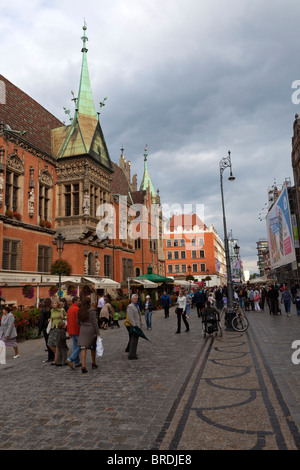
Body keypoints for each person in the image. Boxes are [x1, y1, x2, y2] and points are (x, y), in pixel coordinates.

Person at [77, 296, 100, 373]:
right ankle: (93, 362)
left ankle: (83, 365)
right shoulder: (92, 310)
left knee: (83, 348)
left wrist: (82, 326)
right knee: (93, 347)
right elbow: (95, 322)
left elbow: (78, 322)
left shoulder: (80, 311)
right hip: (91, 329)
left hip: (83, 329)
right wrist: (98, 332)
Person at [47, 299, 67, 365]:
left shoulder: (61, 310)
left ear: (58, 304)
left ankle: (56, 360)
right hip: (53, 328)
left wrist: (63, 317)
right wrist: (49, 319)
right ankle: (58, 354)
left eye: (55, 303)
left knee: (57, 344)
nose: (53, 305)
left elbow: (67, 316)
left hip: (59, 329)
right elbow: (51, 317)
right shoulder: (52, 310)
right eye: (53, 303)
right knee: (49, 343)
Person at [66, 297, 81, 369]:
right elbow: (78, 321)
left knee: (75, 346)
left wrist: (69, 331)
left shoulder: (69, 310)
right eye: (78, 301)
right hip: (77, 330)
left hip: (71, 330)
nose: (80, 302)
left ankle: (77, 362)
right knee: (81, 345)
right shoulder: (77, 309)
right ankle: (71, 359)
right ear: (75, 301)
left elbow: (68, 321)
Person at [126, 293, 143, 360]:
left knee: (135, 340)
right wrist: (134, 325)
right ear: (131, 299)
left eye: (137, 298)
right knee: (133, 340)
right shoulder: (130, 306)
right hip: (134, 326)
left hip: (138, 325)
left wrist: (140, 324)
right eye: (135, 298)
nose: (136, 300)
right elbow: (130, 317)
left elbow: (139, 315)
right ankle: (131, 355)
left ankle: (133, 353)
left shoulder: (137, 306)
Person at [38, 298, 55, 363]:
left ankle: (50, 357)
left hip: (46, 328)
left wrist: (39, 330)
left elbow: (41, 320)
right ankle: (52, 356)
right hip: (51, 327)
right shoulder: (52, 310)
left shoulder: (44, 310)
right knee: (51, 342)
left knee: (48, 343)